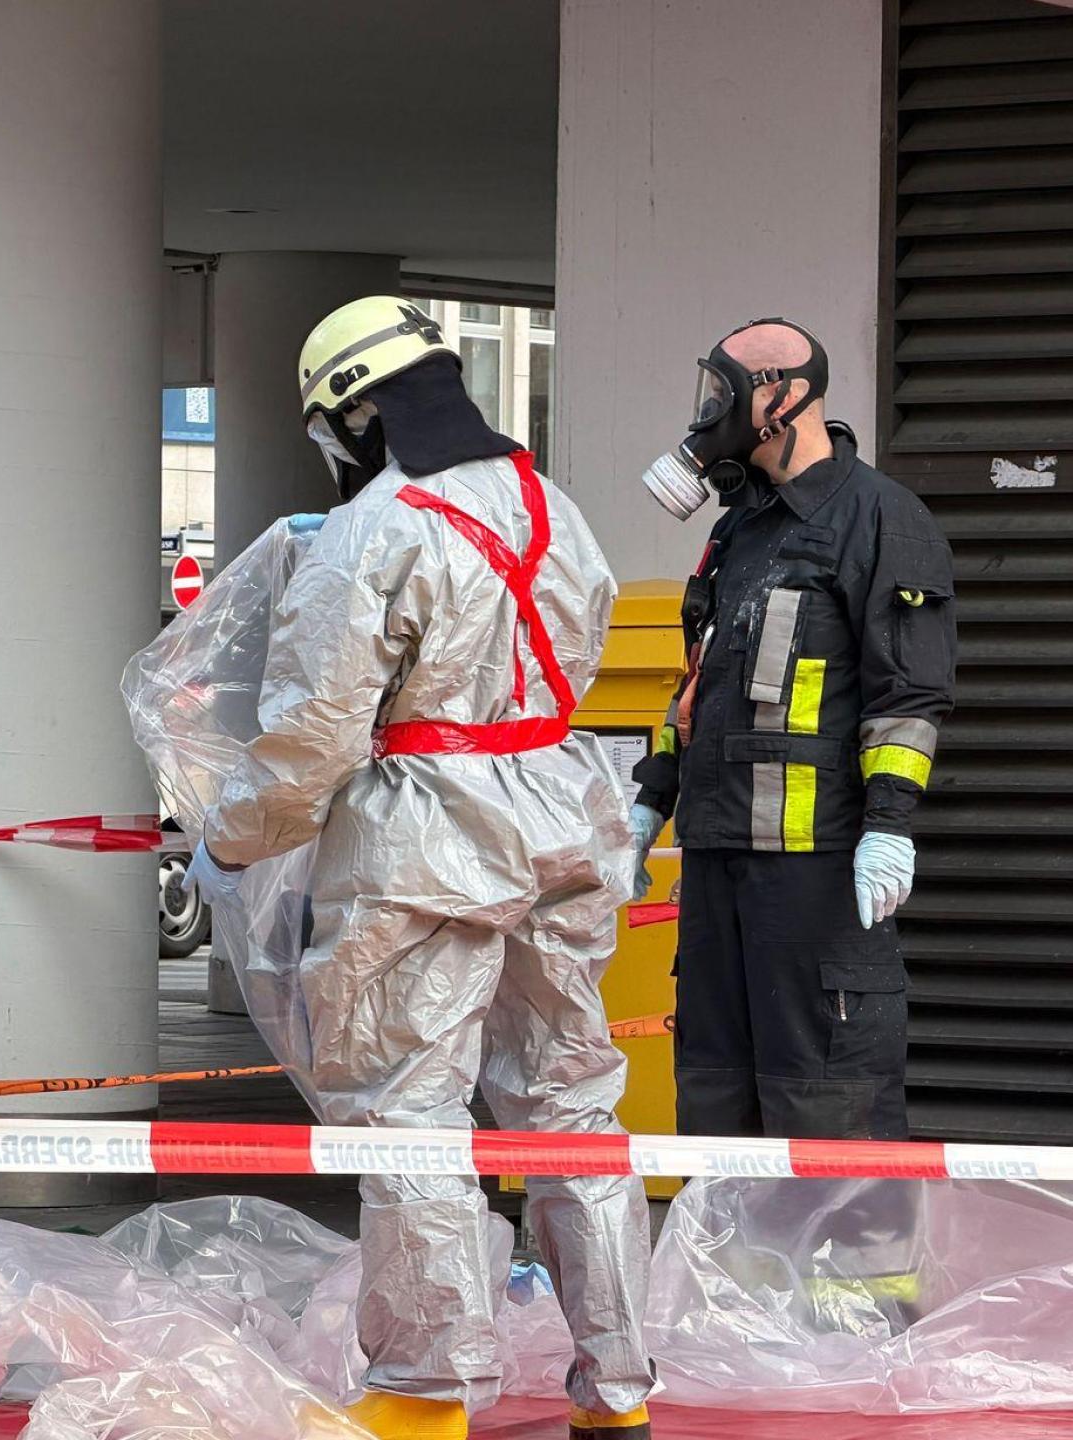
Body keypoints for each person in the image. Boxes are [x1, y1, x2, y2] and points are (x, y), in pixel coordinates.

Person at [191, 296, 651, 1439]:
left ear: (357, 412)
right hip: (555, 813)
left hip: (422, 839)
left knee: (410, 1116)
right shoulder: (553, 504)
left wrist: (232, 837)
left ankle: (423, 1396)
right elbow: (576, 656)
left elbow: (313, 732)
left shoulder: (375, 529)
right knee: (572, 1110)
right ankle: (619, 1390)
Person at [630, 319, 957, 1142]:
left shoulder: (880, 518)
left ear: (782, 396)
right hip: (715, 869)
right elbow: (694, 688)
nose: (709, 414)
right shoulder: (739, 525)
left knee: (826, 1096)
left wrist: (886, 827)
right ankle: (730, 1275)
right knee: (711, 1095)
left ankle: (852, 1277)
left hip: (817, 875)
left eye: (724, 394)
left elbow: (906, 696)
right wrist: (647, 805)